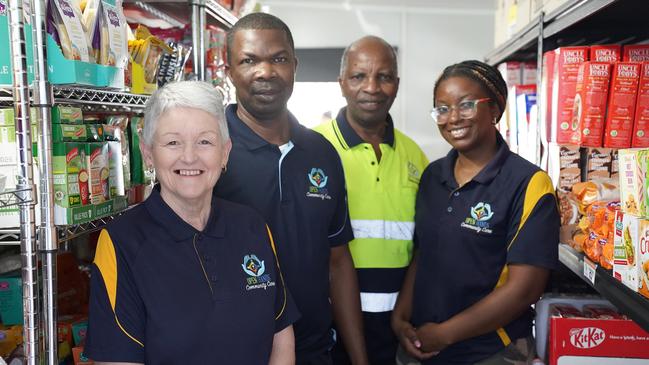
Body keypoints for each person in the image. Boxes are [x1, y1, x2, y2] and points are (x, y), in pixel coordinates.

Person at [85, 81, 298, 364]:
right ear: (148, 153)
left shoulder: (252, 226)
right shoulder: (121, 242)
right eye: (173, 142)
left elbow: (281, 335)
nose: (189, 156)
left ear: (225, 152)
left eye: (205, 142)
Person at [214, 12, 369, 365]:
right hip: (233, 351)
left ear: (295, 65)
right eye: (249, 60)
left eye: (278, 59)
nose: (266, 71)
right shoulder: (208, 149)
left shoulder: (322, 152)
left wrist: (359, 359)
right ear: (229, 72)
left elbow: (338, 261)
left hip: (313, 350)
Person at [392, 60, 559, 365]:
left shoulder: (529, 183)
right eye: (441, 108)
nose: (453, 117)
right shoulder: (433, 176)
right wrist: (401, 319)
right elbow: (423, 253)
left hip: (490, 352)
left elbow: (525, 289)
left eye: (466, 105)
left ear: (495, 108)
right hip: (422, 347)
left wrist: (445, 334)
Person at [314, 36, 428, 365]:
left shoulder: (414, 156)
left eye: (384, 76)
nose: (372, 87)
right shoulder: (313, 147)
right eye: (359, 76)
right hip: (328, 321)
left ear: (397, 84)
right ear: (342, 84)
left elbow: (422, 246)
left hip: (396, 326)